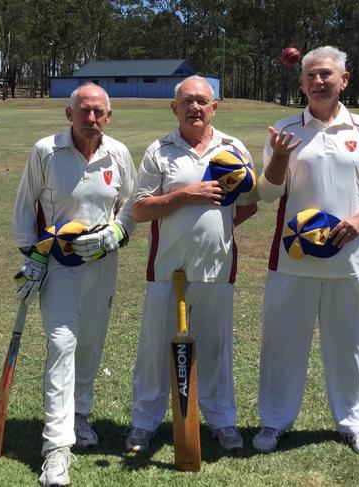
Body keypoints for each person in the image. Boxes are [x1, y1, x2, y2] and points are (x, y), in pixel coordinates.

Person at [253, 46, 359, 457]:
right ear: (301, 83)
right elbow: (269, 193)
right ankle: (274, 421)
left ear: (343, 80)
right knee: (283, 343)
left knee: (350, 344)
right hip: (291, 259)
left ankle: (355, 424)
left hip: (348, 260)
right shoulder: (284, 130)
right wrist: (279, 158)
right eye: (311, 76)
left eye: (327, 75)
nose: (319, 81)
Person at [125, 76, 258, 455]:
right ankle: (144, 424)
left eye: (202, 101)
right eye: (187, 101)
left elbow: (247, 203)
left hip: (217, 269)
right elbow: (141, 208)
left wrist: (215, 228)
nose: (195, 107)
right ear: (175, 108)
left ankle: (222, 421)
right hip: (167, 269)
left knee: (215, 348)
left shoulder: (233, 148)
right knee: (154, 350)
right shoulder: (160, 150)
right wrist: (187, 195)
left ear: (214, 107)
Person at [12, 83, 136, 486]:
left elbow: (131, 207)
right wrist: (30, 255)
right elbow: (24, 205)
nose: (91, 118)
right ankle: (56, 447)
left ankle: (80, 415)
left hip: (102, 265)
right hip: (57, 266)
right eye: (84, 111)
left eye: (99, 112)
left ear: (109, 116)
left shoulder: (117, 153)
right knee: (62, 345)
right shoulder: (46, 151)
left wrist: (116, 233)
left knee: (90, 343)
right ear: (70, 114)